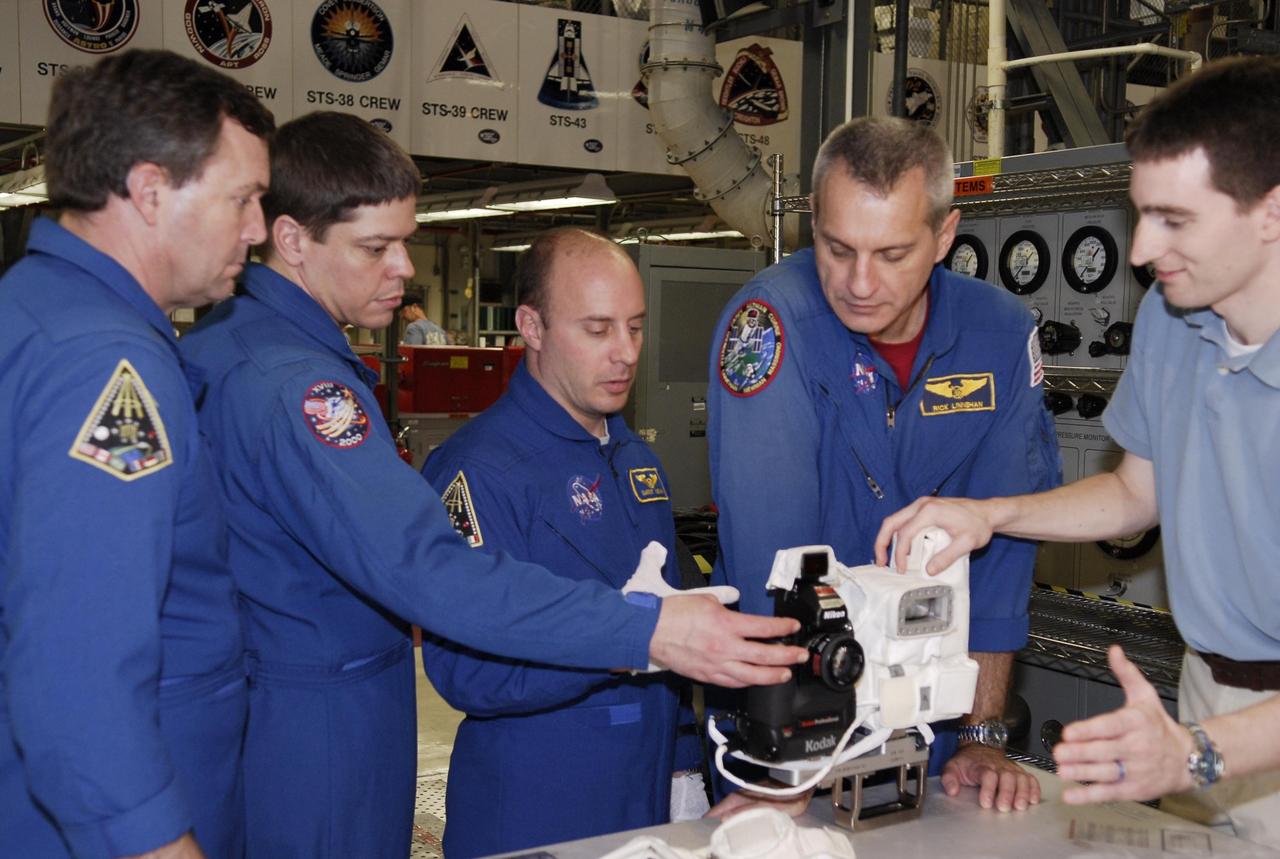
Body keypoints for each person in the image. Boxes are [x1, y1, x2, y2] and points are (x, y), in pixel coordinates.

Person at [179, 112, 806, 858]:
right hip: (317, 733)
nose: (406, 268)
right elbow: (428, 571)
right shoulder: (296, 389)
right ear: (291, 241)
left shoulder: (237, 350)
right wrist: (646, 630)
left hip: (307, 713)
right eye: (376, 247)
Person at [873, 56, 1280, 849]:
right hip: (1204, 694)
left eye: (1174, 219)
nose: (1138, 250)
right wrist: (989, 514)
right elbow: (1135, 493)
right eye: (1139, 214)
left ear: (1271, 211)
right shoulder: (1175, 313)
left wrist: (1196, 752)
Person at [706, 116, 1061, 814]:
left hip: (924, 709)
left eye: (893, 254)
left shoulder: (998, 338)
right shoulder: (770, 328)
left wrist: (981, 732)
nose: (860, 282)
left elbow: (1000, 559)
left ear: (945, 235)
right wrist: (789, 759)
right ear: (813, 220)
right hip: (786, 709)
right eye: (838, 248)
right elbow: (774, 569)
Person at [0, 49, 271, 859]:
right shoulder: (108, 368)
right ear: (151, 191)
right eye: (244, 199)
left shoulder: (29, 306)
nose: (258, 229)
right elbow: (78, 671)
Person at [420, 228, 707, 857]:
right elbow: (466, 671)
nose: (626, 353)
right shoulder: (479, 472)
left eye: (635, 327)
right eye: (598, 330)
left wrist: (685, 764)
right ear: (533, 326)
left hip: (647, 793)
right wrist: (624, 642)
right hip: (537, 806)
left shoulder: (637, 462)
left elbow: (677, 642)